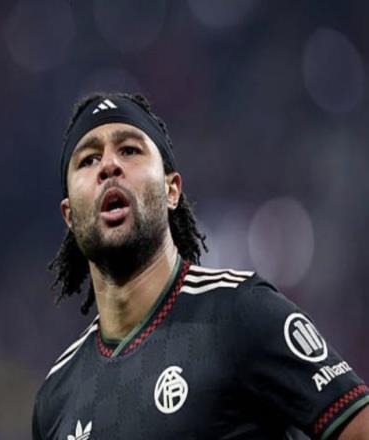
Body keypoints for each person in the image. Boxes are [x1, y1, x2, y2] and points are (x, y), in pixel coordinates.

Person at [32, 92, 369, 439]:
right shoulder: (55, 400)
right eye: (88, 159)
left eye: (129, 150)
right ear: (69, 216)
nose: (108, 165)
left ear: (171, 190)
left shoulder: (240, 314)